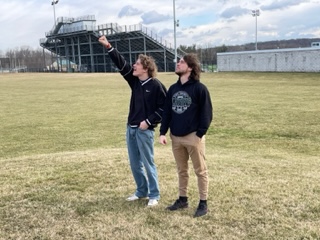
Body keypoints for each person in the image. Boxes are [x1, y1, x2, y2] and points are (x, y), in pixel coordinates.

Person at [98, 35, 167, 207]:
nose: (133, 66)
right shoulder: (134, 81)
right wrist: (108, 47)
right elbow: (121, 64)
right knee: (135, 163)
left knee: (147, 162)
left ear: (146, 68)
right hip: (131, 129)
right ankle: (141, 190)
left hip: (145, 131)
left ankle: (154, 194)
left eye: (137, 64)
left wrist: (148, 122)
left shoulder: (156, 85)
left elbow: (165, 108)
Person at [159, 53, 213, 217]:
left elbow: (207, 113)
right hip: (176, 137)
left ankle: (203, 203)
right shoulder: (173, 89)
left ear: (190, 67)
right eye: (178, 62)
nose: (178, 64)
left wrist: (200, 134)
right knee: (182, 170)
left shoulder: (200, 88)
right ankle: (183, 199)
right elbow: (167, 112)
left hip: (193, 137)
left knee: (200, 171)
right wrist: (163, 132)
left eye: (181, 62)